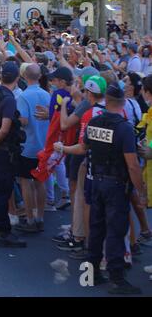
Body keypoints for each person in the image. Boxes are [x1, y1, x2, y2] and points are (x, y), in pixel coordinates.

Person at [54, 83, 145, 295]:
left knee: (96, 229)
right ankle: (116, 278)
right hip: (115, 185)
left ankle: (91, 273)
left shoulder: (94, 121)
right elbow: (132, 164)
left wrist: (64, 149)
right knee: (115, 230)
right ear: (122, 103)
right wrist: (140, 191)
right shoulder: (124, 128)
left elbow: (82, 148)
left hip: (95, 181)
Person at [0, 62, 27, 247]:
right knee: (2, 191)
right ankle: (3, 230)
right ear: (17, 78)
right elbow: (5, 127)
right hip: (3, 151)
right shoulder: (8, 99)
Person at [15, 63, 51, 233]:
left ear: (24, 77)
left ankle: (30, 219)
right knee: (40, 181)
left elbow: (24, 120)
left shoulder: (23, 96)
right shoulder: (47, 95)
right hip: (44, 145)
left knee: (26, 182)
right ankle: (41, 218)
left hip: (28, 145)